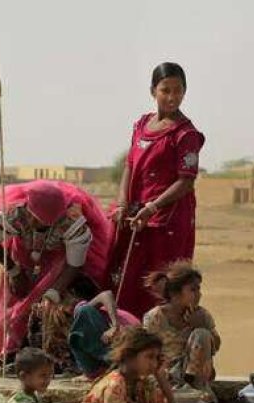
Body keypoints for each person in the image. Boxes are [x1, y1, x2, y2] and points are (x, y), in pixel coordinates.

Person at [0, 181, 120, 373]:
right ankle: (10, 358)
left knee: (53, 311)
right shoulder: (14, 215)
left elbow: (74, 264)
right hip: (22, 257)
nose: (40, 224)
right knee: (12, 308)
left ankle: (57, 361)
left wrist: (53, 292)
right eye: (36, 219)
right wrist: (13, 271)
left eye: (46, 222)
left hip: (60, 265)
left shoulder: (73, 224)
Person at [109, 62, 205, 319]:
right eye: (166, 90)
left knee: (162, 285)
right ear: (153, 91)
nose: (172, 97)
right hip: (136, 217)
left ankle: (164, 346)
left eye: (178, 90)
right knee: (126, 279)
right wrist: (121, 203)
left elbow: (186, 181)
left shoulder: (186, 134)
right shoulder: (141, 125)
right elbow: (130, 166)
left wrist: (152, 207)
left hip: (167, 222)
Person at [142, 261, 219, 402]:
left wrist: (200, 325)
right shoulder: (154, 318)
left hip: (196, 376)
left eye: (199, 289)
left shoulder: (202, 315)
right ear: (174, 293)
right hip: (165, 375)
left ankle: (193, 387)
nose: (198, 294)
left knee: (202, 333)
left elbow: (217, 345)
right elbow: (146, 351)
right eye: (193, 290)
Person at [81, 327, 173, 403]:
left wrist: (160, 376)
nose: (154, 363)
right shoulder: (115, 384)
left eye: (157, 358)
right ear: (129, 356)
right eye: (149, 357)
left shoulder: (143, 384)